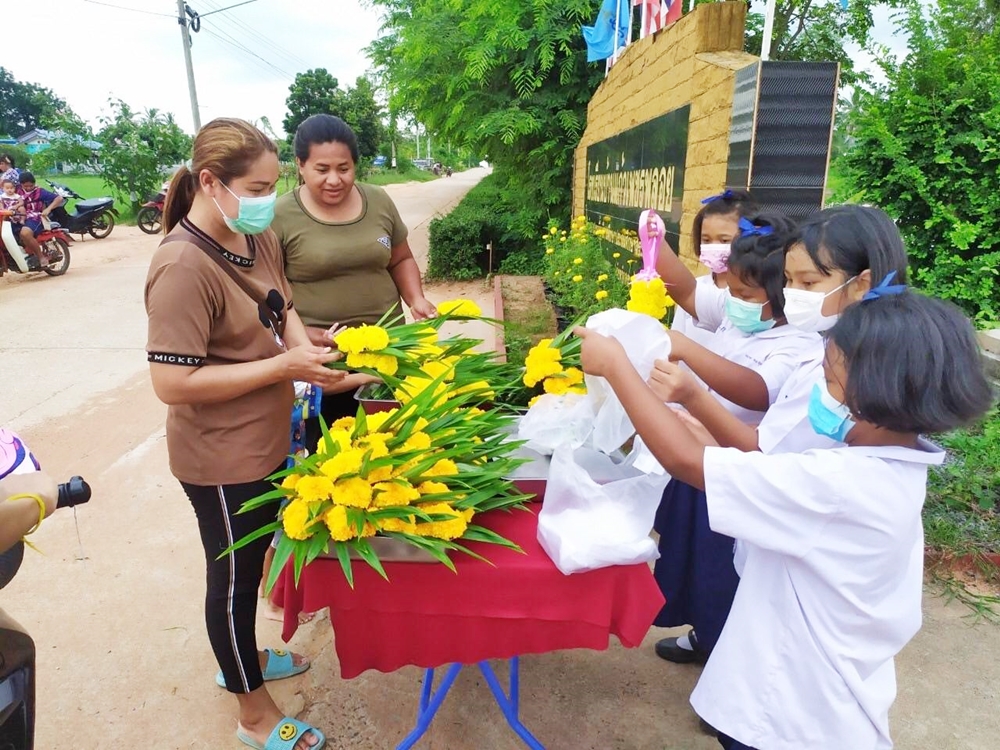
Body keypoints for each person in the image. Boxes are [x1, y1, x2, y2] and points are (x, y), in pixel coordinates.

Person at [577, 290, 993, 750]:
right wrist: (707, 443)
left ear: (877, 391)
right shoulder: (889, 467)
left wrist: (616, 367)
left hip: (791, 713)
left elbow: (686, 465)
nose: (819, 389)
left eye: (830, 378)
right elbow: (765, 475)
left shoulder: (842, 483)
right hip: (820, 695)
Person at [144, 117, 347, 750]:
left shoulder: (252, 238)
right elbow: (171, 383)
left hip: (266, 440)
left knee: (255, 563)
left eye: (273, 184)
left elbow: (280, 309)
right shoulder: (181, 266)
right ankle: (252, 715)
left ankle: (246, 660)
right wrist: (285, 366)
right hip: (219, 456)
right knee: (232, 578)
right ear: (211, 181)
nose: (268, 199)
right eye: (258, 187)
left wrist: (310, 353)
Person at [647, 212, 821, 666]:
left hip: (737, 470)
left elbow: (754, 389)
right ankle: (706, 635)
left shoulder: (799, 346)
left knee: (724, 572)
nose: (734, 301)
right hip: (699, 463)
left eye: (745, 294)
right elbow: (684, 288)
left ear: (781, 293)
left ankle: (728, 663)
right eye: (732, 292)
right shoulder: (739, 312)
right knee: (691, 563)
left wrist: (688, 355)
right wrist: (654, 240)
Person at [272, 113, 437, 452]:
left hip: (389, 350)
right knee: (334, 455)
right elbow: (268, 293)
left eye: (344, 168)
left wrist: (416, 299)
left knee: (395, 448)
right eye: (322, 170)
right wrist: (304, 336)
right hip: (325, 359)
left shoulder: (378, 201)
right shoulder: (280, 216)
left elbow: (401, 258)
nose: (334, 179)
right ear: (300, 165)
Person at [669, 189, 757, 353]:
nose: (714, 246)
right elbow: (675, 342)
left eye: (724, 240)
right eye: (706, 240)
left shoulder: (753, 301)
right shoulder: (696, 288)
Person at [16, 171, 63, 269]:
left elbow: (59, 198)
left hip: (35, 217)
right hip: (17, 216)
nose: (29, 188)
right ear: (21, 185)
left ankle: (41, 257)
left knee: (25, 233)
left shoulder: (40, 192)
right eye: (26, 186)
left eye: (31, 186)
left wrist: (48, 209)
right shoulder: (16, 191)